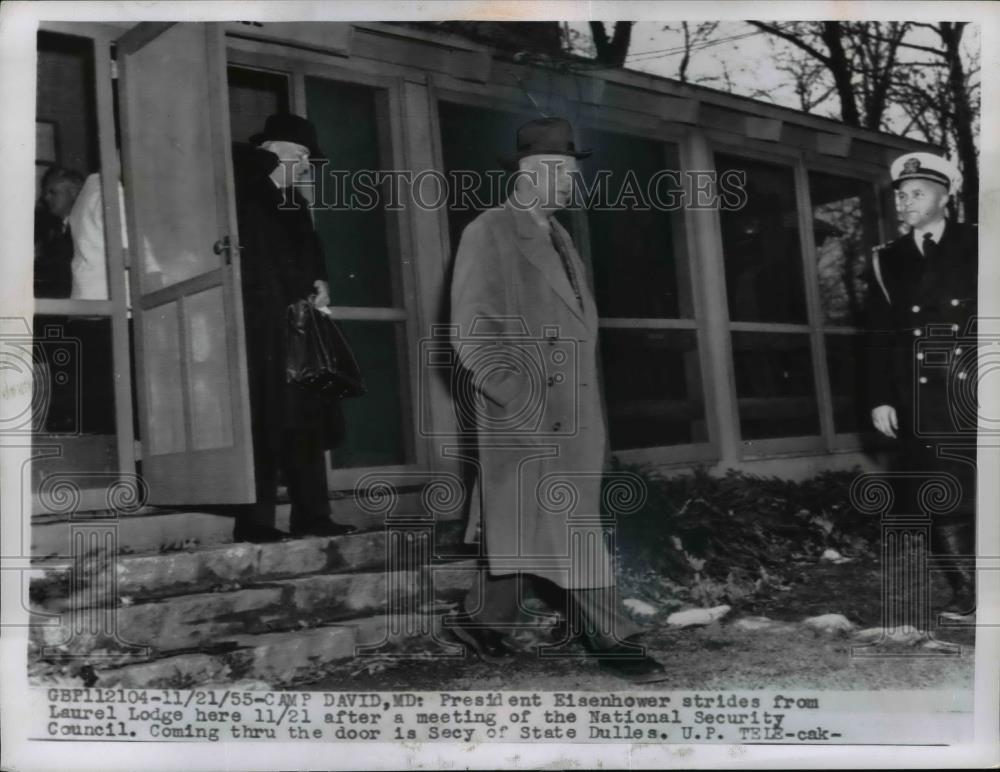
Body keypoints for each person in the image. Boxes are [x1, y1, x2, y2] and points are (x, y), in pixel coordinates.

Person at [447, 117, 668, 682]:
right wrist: (522, 402)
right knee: (568, 527)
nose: (573, 184)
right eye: (564, 173)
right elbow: (471, 334)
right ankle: (613, 637)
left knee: (530, 523)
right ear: (533, 173)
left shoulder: (558, 234)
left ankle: (479, 619)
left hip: (572, 412)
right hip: (529, 414)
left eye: (572, 173)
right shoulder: (489, 231)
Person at [231, 113, 356, 543]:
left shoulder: (295, 204)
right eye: (299, 154)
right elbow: (238, 166)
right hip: (258, 326)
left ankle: (312, 515)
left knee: (307, 418)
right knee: (262, 418)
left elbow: (310, 251)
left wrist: (321, 281)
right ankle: (255, 522)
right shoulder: (242, 187)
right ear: (270, 150)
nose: (305, 165)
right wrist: (264, 159)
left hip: (299, 326)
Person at [865, 151, 978, 620]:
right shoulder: (886, 260)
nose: (905, 203)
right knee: (940, 492)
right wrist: (880, 398)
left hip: (977, 390)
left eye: (917, 194)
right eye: (901, 195)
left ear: (945, 197)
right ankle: (971, 593)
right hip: (919, 400)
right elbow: (877, 333)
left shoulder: (980, 244)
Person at [35, 166, 82, 298]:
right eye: (45, 193)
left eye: (53, 193)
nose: (46, 198)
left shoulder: (79, 230)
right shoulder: (54, 228)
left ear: (73, 193)